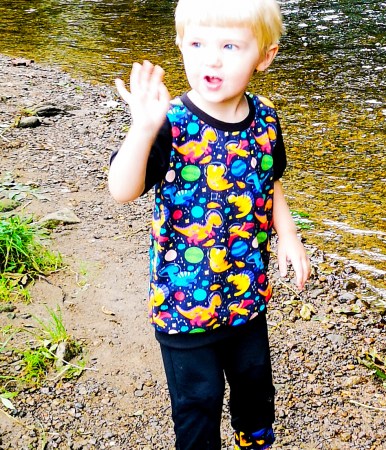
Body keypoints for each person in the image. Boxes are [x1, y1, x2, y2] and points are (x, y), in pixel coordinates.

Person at [108, 0, 310, 448]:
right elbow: (121, 189)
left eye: (230, 46)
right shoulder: (170, 124)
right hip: (183, 303)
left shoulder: (266, 118)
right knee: (198, 401)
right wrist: (142, 129)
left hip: (246, 294)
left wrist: (289, 235)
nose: (211, 59)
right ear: (180, 45)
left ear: (265, 56)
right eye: (197, 43)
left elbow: (270, 180)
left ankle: (253, 438)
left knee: (254, 384)